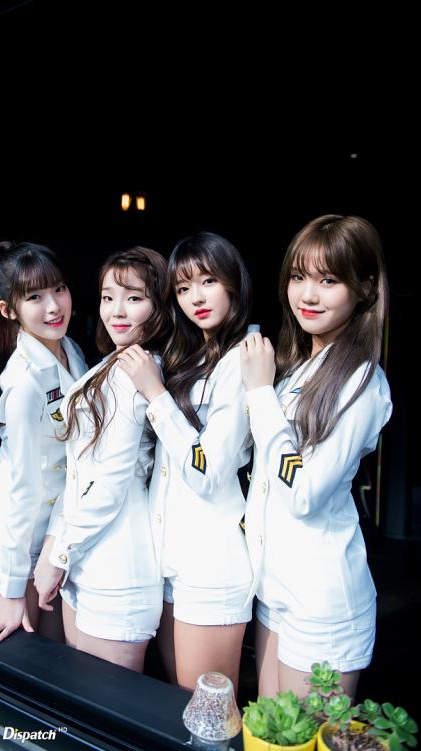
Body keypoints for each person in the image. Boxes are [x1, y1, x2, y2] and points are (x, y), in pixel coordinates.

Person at [240, 214, 392, 699]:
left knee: (303, 735)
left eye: (328, 281)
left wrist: (259, 393)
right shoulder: (300, 367)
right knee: (268, 730)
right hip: (276, 589)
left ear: (364, 289)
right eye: (298, 277)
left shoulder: (361, 382)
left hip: (322, 603)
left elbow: (304, 492)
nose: (308, 295)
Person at [117, 231, 257, 692]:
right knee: (178, 706)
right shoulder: (193, 354)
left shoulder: (243, 359)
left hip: (210, 564)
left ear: (233, 282)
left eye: (208, 281)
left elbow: (207, 472)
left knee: (206, 710)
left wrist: (154, 392)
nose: (195, 297)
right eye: (183, 287)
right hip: (170, 558)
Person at [33, 246, 170, 672]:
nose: (116, 311)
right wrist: (58, 549)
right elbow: (80, 472)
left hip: (117, 567)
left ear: (158, 305)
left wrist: (58, 555)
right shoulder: (113, 363)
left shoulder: (137, 370)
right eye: (108, 297)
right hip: (87, 557)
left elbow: (109, 483)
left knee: (105, 705)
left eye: (134, 298)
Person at [0, 241, 87, 644]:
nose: (53, 306)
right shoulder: (24, 383)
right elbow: (23, 489)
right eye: (34, 297)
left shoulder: (71, 351)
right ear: (8, 310)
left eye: (59, 289)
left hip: (46, 539)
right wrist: (12, 590)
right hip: (2, 550)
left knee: (58, 660)